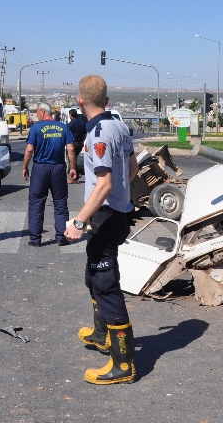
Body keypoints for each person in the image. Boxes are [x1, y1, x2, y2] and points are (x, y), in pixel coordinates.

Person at [64, 75, 137, 385]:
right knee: (93, 275)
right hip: (116, 213)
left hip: (106, 216)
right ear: (106, 100)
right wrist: (121, 194)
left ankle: (123, 364)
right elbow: (133, 168)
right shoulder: (120, 126)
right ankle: (101, 334)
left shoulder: (97, 134)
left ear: (80, 101)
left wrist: (79, 221)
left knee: (106, 285)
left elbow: (104, 183)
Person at [23, 103, 77, 247]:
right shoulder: (63, 127)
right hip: (58, 167)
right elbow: (71, 149)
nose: (37, 115)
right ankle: (61, 237)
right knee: (60, 202)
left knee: (36, 202)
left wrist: (25, 167)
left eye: (37, 112)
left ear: (42, 111)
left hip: (40, 168)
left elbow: (29, 150)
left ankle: (35, 239)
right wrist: (73, 168)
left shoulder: (36, 128)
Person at [67, 108, 88, 184]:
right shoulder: (83, 123)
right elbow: (85, 134)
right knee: (74, 158)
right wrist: (82, 141)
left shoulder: (70, 124)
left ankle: (74, 178)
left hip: (73, 143)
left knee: (71, 159)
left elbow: (67, 135)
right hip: (80, 143)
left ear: (71, 115)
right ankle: (78, 173)